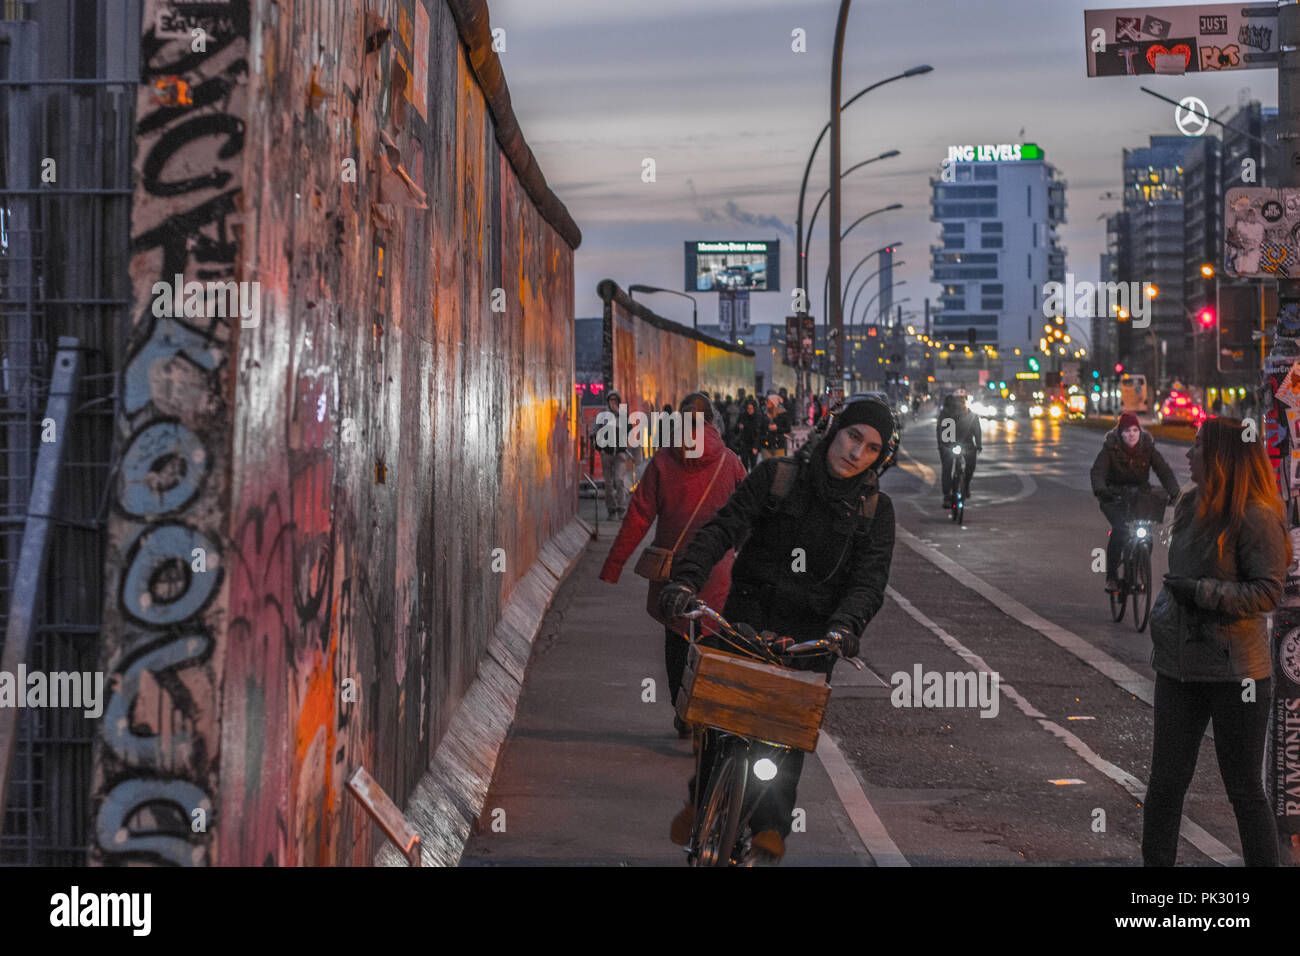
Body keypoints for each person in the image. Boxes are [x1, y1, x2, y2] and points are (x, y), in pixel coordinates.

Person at [659, 396, 899, 864]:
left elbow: (870, 581)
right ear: (832, 430)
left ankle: (771, 826)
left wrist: (846, 627)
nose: (857, 453)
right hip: (748, 620)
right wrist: (686, 579)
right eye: (853, 437)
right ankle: (700, 799)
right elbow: (722, 529)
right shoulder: (778, 477)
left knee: (786, 737)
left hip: (811, 639)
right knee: (721, 718)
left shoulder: (875, 512)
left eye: (872, 448)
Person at [1144, 417, 1290, 867]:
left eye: (1199, 447)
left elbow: (1269, 591)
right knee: (1165, 785)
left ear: (1223, 458)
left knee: (1244, 789)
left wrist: (1202, 593)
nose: (1189, 454)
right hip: (1179, 667)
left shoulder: (1257, 516)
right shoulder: (1189, 505)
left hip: (1236, 673)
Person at [599, 394, 746, 737]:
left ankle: (683, 712)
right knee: (712, 638)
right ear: (713, 422)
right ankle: (705, 710)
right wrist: (743, 552)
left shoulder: (664, 462)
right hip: (717, 568)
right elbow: (750, 513)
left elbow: (638, 516)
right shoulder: (730, 461)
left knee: (676, 638)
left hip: (673, 567)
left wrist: (614, 565)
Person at [1090, 411, 1181, 593]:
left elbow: (1163, 471)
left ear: (1140, 432)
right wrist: (1102, 491)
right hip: (1113, 496)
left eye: (1134, 430)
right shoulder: (1110, 448)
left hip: (1139, 496)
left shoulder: (1147, 447)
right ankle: (1112, 577)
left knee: (1146, 531)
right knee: (1121, 529)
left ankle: (1140, 565)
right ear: (1120, 433)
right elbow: (1098, 472)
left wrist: (1175, 493)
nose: (1131, 434)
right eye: (1126, 431)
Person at [936, 391, 981, 507]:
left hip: (967, 444)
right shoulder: (946, 415)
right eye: (958, 402)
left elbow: (977, 430)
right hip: (949, 444)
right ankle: (947, 496)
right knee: (947, 467)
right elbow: (941, 431)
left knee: (971, 465)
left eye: (963, 402)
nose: (960, 405)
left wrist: (979, 444)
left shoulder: (971, 415)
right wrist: (942, 445)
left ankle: (965, 484)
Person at [594, 389, 633, 519]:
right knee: (609, 484)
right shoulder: (602, 415)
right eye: (611, 400)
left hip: (620, 453)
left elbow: (629, 429)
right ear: (608, 401)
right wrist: (601, 449)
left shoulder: (622, 415)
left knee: (619, 480)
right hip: (607, 453)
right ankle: (611, 510)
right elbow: (595, 432)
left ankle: (622, 509)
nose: (613, 402)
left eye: (616, 400)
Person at [735, 396, 767, 471]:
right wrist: (739, 427)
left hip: (753, 444)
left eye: (751, 408)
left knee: (753, 465)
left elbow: (759, 433)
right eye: (748, 408)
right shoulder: (743, 416)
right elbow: (736, 430)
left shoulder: (758, 417)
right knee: (744, 465)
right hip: (744, 444)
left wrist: (756, 447)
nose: (749, 410)